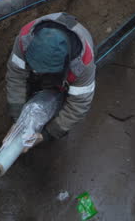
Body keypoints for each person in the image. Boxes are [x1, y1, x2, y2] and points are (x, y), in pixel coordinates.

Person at [5, 13, 96, 148]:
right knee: (31, 82)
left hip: (66, 73)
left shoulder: (83, 65)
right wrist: (17, 119)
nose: (38, 72)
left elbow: (79, 104)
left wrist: (47, 134)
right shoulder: (25, 39)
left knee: (62, 100)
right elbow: (16, 76)